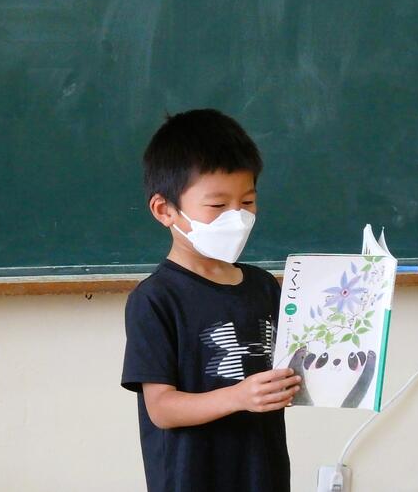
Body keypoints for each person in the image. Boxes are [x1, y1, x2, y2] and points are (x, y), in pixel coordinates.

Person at [121, 109, 301, 492]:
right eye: (218, 206)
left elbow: (289, 370)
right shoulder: (155, 298)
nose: (237, 217)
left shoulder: (264, 286)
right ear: (165, 210)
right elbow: (161, 408)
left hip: (263, 475)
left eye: (247, 202)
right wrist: (239, 397)